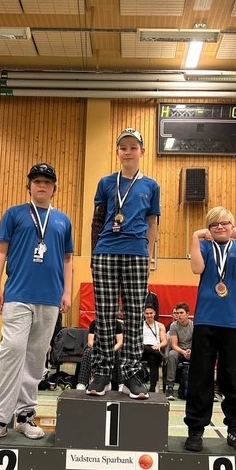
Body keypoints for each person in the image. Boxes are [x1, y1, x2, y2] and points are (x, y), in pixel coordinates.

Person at [0, 163, 73, 445]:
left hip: (50, 299)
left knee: (36, 358)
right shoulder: (14, 214)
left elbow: (67, 259)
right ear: (29, 186)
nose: (42, 185)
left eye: (47, 182)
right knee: (12, 351)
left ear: (54, 189)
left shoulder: (63, 220)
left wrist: (67, 292)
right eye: (37, 181)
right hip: (17, 295)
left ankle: (26, 415)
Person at [88, 127, 161, 399]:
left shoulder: (151, 186)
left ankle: (131, 374)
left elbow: (152, 223)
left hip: (137, 253)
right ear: (118, 152)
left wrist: (148, 256)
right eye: (123, 148)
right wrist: (94, 254)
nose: (128, 152)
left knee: (134, 315)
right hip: (106, 251)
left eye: (133, 147)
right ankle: (103, 372)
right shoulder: (106, 183)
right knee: (105, 314)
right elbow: (97, 220)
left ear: (142, 152)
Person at [184, 206, 236, 454]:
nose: (219, 227)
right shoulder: (205, 246)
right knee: (200, 376)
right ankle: (196, 428)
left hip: (234, 322)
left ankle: (235, 428)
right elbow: (196, 268)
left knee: (233, 378)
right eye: (214, 224)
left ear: (233, 226)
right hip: (205, 320)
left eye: (224, 223)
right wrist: (195, 236)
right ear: (209, 228)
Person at [77, 317, 123, 392]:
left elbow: (120, 342)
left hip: (112, 350)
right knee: (87, 352)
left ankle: (121, 384)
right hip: (97, 349)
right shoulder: (94, 323)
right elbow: (90, 342)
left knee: (120, 354)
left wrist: (111, 350)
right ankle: (82, 383)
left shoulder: (117, 323)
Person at [166, 303, 193, 401]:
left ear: (187, 314)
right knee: (172, 354)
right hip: (179, 350)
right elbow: (174, 345)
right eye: (177, 313)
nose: (179, 315)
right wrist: (183, 352)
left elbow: (197, 343)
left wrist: (191, 351)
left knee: (204, 355)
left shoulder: (194, 326)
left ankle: (206, 388)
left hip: (191, 350)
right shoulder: (173, 326)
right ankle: (170, 387)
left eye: (181, 313)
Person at [142, 304, 167, 392]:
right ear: (144, 314)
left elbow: (164, 341)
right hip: (143, 349)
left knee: (153, 358)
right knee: (145, 348)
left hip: (155, 348)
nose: (149, 315)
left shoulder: (160, 325)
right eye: (147, 313)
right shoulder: (140, 325)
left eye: (151, 313)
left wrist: (159, 345)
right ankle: (157, 353)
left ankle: (153, 386)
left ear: (154, 313)